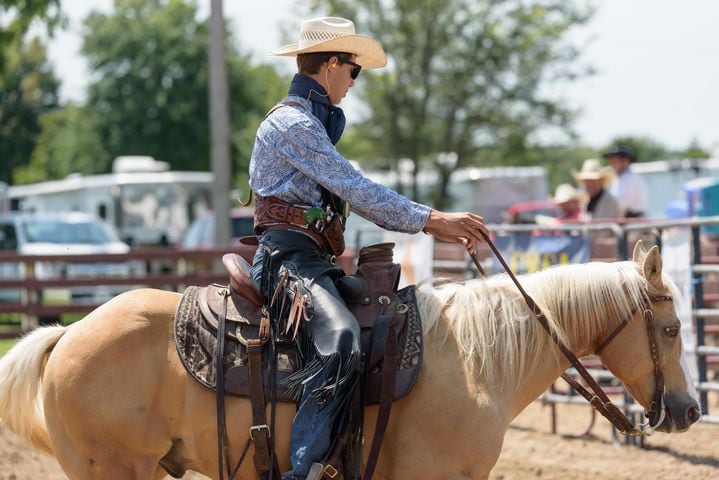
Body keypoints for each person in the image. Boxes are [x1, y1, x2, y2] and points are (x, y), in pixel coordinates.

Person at [248, 16, 489, 480]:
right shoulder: (293, 124)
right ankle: (304, 472)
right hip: (288, 262)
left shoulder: (310, 125)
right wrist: (434, 220)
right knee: (339, 343)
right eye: (354, 71)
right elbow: (357, 189)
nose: (354, 83)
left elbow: (352, 189)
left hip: (311, 260)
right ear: (332, 64)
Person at [603, 145, 648, 217]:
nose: (612, 164)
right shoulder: (618, 179)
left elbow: (620, 202)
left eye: (614, 161)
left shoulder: (632, 178)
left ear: (625, 161)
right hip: (624, 219)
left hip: (633, 220)